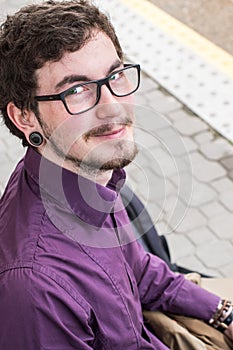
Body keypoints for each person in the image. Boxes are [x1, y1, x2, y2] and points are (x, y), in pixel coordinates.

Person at [0, 1, 232, 349]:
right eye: (76, 91)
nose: (112, 106)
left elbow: (140, 270)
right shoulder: (36, 289)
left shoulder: (88, 180)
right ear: (26, 118)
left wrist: (223, 313)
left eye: (115, 75)